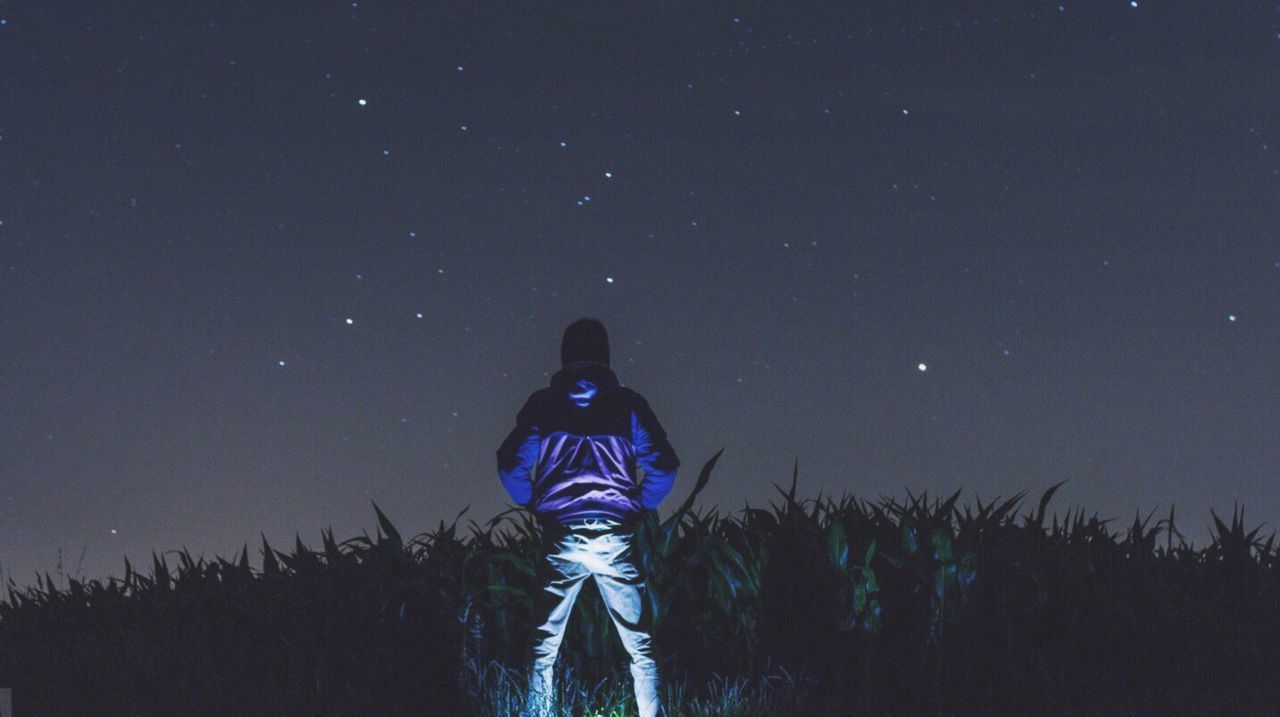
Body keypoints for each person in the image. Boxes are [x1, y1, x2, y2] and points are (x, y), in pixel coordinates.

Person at [497, 317, 679, 717]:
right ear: (605, 355)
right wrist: (638, 505)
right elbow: (664, 467)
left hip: (562, 535)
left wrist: (535, 504)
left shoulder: (543, 405)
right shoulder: (629, 405)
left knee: (543, 646)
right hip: (615, 535)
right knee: (640, 644)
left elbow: (510, 465)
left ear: (565, 356)